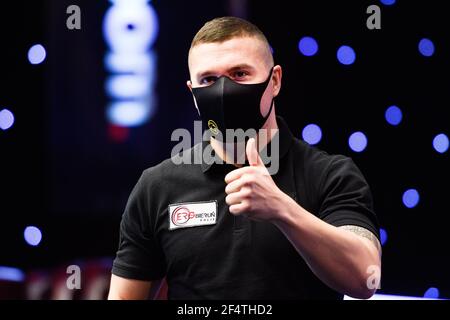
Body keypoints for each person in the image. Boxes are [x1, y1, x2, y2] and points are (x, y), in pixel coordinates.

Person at [108, 16, 381, 300]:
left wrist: (282, 210)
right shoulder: (158, 186)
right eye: (209, 79)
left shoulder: (330, 174)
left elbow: (365, 278)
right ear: (193, 93)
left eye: (240, 74)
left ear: (274, 81)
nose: (224, 90)